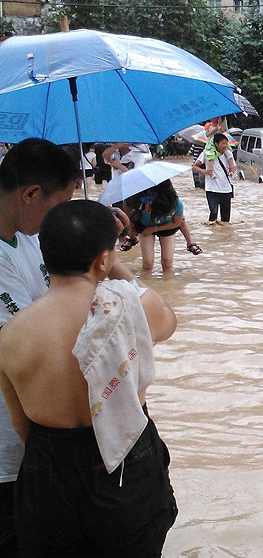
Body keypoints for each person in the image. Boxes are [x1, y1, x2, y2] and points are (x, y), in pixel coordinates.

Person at [0, 199, 178, 556]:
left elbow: (22, 427)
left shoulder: (12, 335)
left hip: (48, 467)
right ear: (102, 258)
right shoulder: (131, 308)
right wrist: (116, 269)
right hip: (128, 457)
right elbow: (168, 319)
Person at [0, 138, 81, 554]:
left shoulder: (29, 236)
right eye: (60, 203)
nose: (61, 215)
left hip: (37, 437)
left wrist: (87, 240)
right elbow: (35, 341)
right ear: (31, 194)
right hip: (9, 448)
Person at [122, 180, 203, 272]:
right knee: (147, 264)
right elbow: (126, 204)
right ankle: (132, 239)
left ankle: (190, 244)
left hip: (167, 226)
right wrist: (130, 219)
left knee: (167, 263)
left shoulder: (176, 203)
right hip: (145, 226)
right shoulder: (139, 199)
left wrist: (153, 229)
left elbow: (177, 223)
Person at [192, 132, 235, 224]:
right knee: (213, 215)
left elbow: (234, 168)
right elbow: (194, 167)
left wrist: (231, 171)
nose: (225, 145)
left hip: (226, 190)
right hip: (211, 190)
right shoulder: (206, 153)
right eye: (223, 143)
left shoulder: (228, 155)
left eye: (226, 143)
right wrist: (204, 172)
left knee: (225, 219)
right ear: (216, 144)